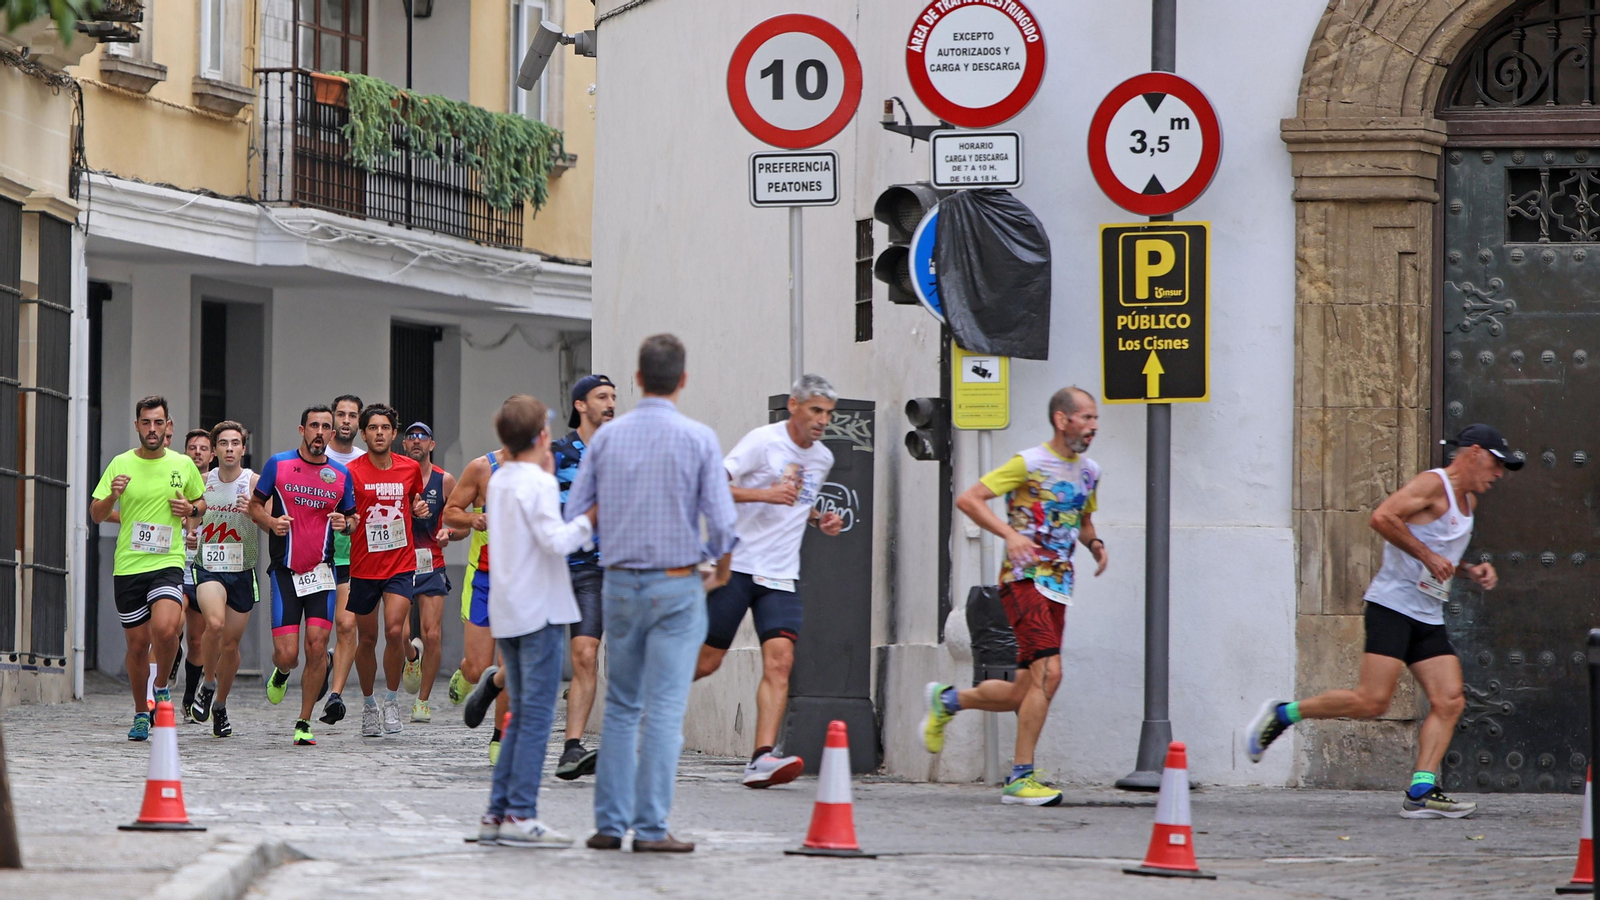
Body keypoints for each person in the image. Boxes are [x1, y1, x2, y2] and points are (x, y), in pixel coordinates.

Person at [1245, 424, 1519, 819]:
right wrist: (1427, 556)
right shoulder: (1432, 485)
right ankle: (1283, 713)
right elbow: (1383, 517)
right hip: (1392, 608)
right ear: (1473, 452)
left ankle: (1422, 790)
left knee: (1450, 699)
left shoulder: (1468, 504)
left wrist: (1469, 571)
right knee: (1371, 702)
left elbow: (1440, 556)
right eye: (1495, 464)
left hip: (1427, 613)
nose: (1497, 474)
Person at [566, 334, 738, 853]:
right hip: (676, 581)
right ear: (682, 381)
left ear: (637, 381)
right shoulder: (699, 438)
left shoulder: (608, 442)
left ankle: (610, 824)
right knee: (663, 709)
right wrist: (718, 570)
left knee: (620, 705)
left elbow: (577, 511)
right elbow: (725, 525)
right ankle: (652, 827)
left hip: (618, 581)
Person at [921, 386, 1108, 807]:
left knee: (1025, 688)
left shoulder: (1089, 471)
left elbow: (1082, 520)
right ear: (1062, 420)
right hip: (1024, 581)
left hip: (1059, 587)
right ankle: (1021, 777)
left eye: (1096, 419)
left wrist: (1095, 545)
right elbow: (970, 499)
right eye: (1087, 418)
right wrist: (1009, 534)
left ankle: (948, 700)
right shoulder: (1029, 463)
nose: (1094, 427)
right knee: (1050, 673)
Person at [694, 375, 844, 788]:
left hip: (780, 573)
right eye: (816, 410)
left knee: (780, 662)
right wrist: (766, 495)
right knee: (707, 662)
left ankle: (761, 757)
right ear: (794, 406)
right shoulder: (762, 440)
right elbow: (714, 486)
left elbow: (800, 501)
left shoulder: (823, 458)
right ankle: (649, 694)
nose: (822, 421)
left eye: (829, 414)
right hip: (736, 564)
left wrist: (821, 519)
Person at [477, 395, 597, 848]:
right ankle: (520, 814)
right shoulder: (538, 483)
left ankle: (497, 812)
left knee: (520, 715)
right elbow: (557, 541)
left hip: (509, 610)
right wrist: (589, 518)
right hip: (541, 610)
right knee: (535, 717)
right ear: (542, 436)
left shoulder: (502, 478)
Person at [90, 396, 207, 740]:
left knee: (168, 629)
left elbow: (201, 504)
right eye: (146, 423)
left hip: (167, 562)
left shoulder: (182, 464)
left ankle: (161, 686)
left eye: (158, 423)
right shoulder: (120, 463)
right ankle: (141, 712)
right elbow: (96, 515)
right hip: (128, 566)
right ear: (137, 425)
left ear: (167, 425)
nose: (152, 429)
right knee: (138, 645)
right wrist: (112, 496)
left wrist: (190, 507)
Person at [251, 405, 356, 746]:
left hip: (323, 574)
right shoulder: (278, 464)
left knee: (316, 646)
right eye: (314, 426)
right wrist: (271, 523)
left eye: (326, 426)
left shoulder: (341, 476)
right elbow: (254, 506)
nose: (320, 432)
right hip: (285, 573)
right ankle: (282, 672)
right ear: (302, 430)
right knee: (288, 654)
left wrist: (346, 523)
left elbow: (353, 519)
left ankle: (303, 721)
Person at [345, 404, 429, 736]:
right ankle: (368, 706)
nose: (379, 433)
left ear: (394, 434)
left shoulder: (409, 469)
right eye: (373, 428)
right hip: (365, 566)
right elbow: (348, 514)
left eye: (385, 428)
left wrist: (419, 508)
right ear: (363, 434)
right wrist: (347, 524)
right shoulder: (352, 471)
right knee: (367, 639)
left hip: (400, 564)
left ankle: (391, 701)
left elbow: (415, 502)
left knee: (396, 632)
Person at [550, 374, 616, 780]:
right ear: (580, 405)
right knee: (528, 659)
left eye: (613, 397)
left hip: (603, 570)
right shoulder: (555, 453)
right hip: (555, 568)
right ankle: (495, 682)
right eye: (601, 397)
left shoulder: (623, 451)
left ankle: (571, 747)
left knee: (586, 655)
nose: (610, 403)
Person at [186, 422, 259, 739]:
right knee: (213, 625)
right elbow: (192, 517)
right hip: (209, 566)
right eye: (224, 443)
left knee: (231, 645)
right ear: (214, 450)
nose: (229, 448)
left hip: (242, 569)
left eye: (235, 443)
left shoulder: (254, 482)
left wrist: (254, 513)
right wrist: (190, 533)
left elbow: (268, 521)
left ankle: (220, 704)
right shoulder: (202, 482)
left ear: (243, 448)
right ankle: (208, 681)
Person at [443, 443, 512, 763]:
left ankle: (500, 737)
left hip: (519, 585)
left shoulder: (542, 467)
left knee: (509, 666)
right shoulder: (482, 468)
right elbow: (450, 512)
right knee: (479, 666)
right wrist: (473, 519)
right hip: (483, 581)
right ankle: (465, 674)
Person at [400, 422, 455, 722]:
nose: (417, 441)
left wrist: (450, 532)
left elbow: (458, 517)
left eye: (423, 437)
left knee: (432, 634)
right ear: (404, 445)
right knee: (400, 633)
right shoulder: (396, 477)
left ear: (432, 445)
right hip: (400, 562)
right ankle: (411, 658)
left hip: (431, 562)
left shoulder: (444, 480)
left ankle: (422, 701)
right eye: (411, 437)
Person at [319, 394, 365, 726]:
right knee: (315, 634)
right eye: (341, 414)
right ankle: (312, 663)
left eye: (352, 415)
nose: (346, 420)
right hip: (315, 555)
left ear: (359, 423)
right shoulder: (316, 456)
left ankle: (335, 697)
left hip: (351, 555)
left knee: (347, 624)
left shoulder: (364, 462)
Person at [178, 429, 214, 721]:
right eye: (193, 447)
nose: (198, 452)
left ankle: (189, 698)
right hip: (176, 567)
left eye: (204, 448)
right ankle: (156, 695)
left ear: (212, 455)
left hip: (203, 571)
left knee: (197, 640)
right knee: (168, 629)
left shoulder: (218, 486)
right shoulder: (174, 481)